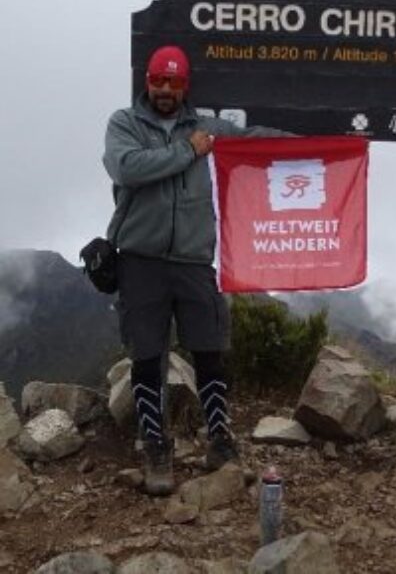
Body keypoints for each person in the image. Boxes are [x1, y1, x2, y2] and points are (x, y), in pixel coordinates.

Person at [103, 45, 284, 495]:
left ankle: (219, 442)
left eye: (175, 82)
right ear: (147, 81)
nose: (165, 90)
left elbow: (255, 138)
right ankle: (155, 447)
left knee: (209, 350)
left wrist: (324, 141)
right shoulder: (125, 124)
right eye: (158, 81)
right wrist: (188, 151)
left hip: (194, 261)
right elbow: (126, 168)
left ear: (185, 86)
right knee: (147, 356)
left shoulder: (209, 129)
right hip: (140, 259)